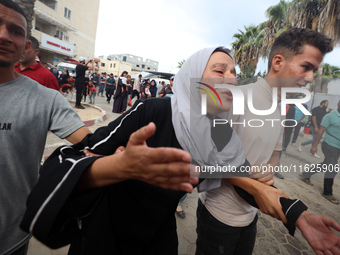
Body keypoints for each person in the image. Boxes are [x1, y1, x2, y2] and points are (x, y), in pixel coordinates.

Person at [21, 47, 340, 255]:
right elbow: (77, 156)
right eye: (219, 70)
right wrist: (121, 166)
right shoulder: (155, 111)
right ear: (192, 77)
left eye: (233, 72)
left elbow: (241, 179)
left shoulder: (220, 131)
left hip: (158, 237)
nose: (231, 78)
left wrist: (298, 215)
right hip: (107, 234)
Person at [0, 1, 195, 254]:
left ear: (26, 45)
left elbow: (88, 143)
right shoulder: (155, 109)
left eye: (15, 31)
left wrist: (117, 159)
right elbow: (95, 146)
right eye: (218, 71)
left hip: (10, 237)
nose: (4, 35)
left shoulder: (45, 98)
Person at [196, 28, 336, 255]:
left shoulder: (281, 106)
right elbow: (204, 159)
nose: (311, 78)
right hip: (218, 214)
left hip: (251, 214)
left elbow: (274, 155)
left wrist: (266, 173)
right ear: (278, 62)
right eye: (306, 67)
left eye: (314, 70)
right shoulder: (236, 98)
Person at [300, 100, 340, 204]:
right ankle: (327, 192)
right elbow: (321, 131)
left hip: (338, 147)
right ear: (338, 104)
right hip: (329, 145)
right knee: (332, 168)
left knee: (326, 164)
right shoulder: (330, 116)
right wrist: (314, 146)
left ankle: (306, 174)